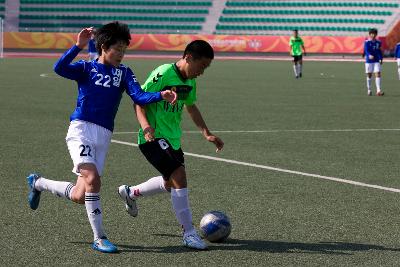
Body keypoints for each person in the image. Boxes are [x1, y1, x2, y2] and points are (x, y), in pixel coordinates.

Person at [26, 22, 177, 253]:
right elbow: (60, 68)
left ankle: (38, 183)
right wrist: (77, 46)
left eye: (124, 50)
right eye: (118, 49)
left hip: (104, 135)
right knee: (94, 179)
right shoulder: (86, 68)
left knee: (80, 195)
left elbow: (139, 95)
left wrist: (160, 95)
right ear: (104, 46)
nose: (121, 54)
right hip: (81, 130)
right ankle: (100, 238)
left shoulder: (124, 72)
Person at [117, 40, 224, 250]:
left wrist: (207, 133)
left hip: (172, 139)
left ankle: (130, 193)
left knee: (169, 183)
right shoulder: (164, 72)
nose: (202, 72)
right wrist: (146, 126)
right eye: (202, 66)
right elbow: (139, 100)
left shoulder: (190, 82)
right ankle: (189, 234)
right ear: (188, 57)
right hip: (153, 138)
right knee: (179, 176)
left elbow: (190, 107)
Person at [363, 28, 384, 96]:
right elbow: (366, 50)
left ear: (376, 34)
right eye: (371, 34)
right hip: (369, 61)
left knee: (378, 73)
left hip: (376, 61)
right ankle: (369, 89)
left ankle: (378, 90)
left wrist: (381, 58)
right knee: (369, 75)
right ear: (369, 34)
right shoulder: (367, 42)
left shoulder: (378, 42)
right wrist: (369, 55)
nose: (373, 35)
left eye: (374, 33)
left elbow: (379, 51)